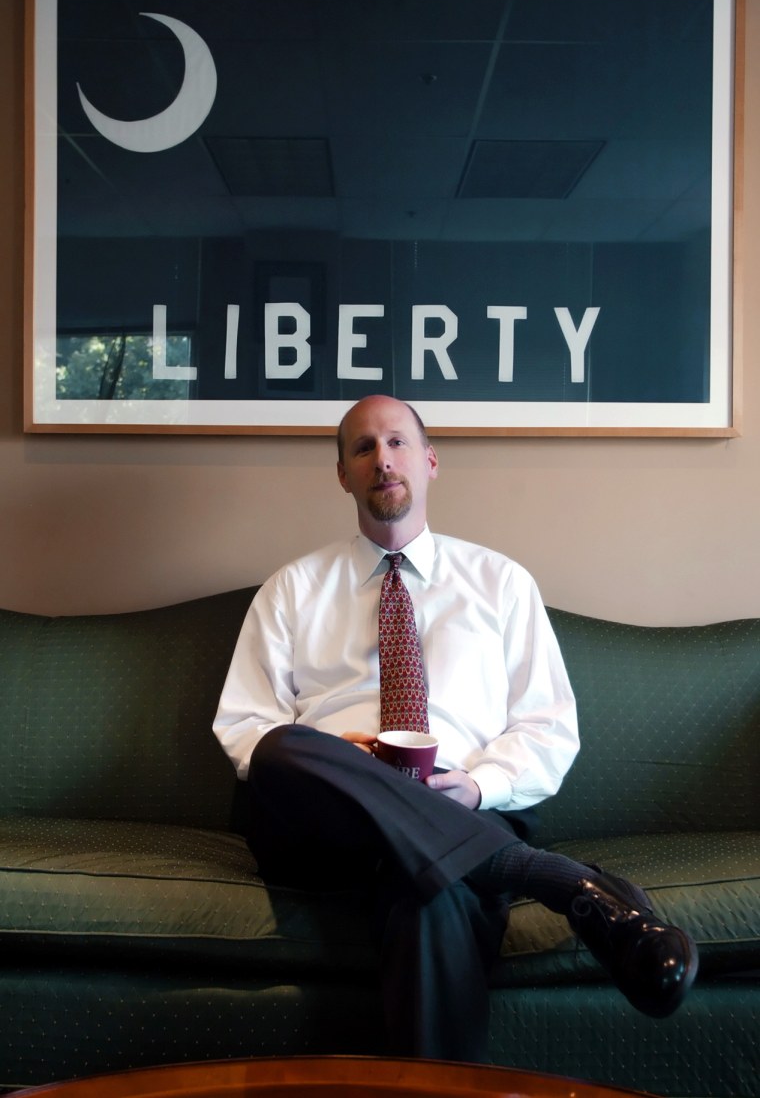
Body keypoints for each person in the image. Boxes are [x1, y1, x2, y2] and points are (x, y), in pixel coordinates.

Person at [213, 394, 697, 1063]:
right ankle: (554, 879)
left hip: (467, 811)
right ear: (343, 475)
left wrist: (474, 787)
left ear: (431, 460)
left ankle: (474, 855)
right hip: (323, 828)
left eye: (397, 442)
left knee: (428, 898)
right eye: (362, 447)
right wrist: (345, 762)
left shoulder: (501, 584)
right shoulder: (292, 589)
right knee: (281, 748)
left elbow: (548, 728)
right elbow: (245, 725)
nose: (382, 458)